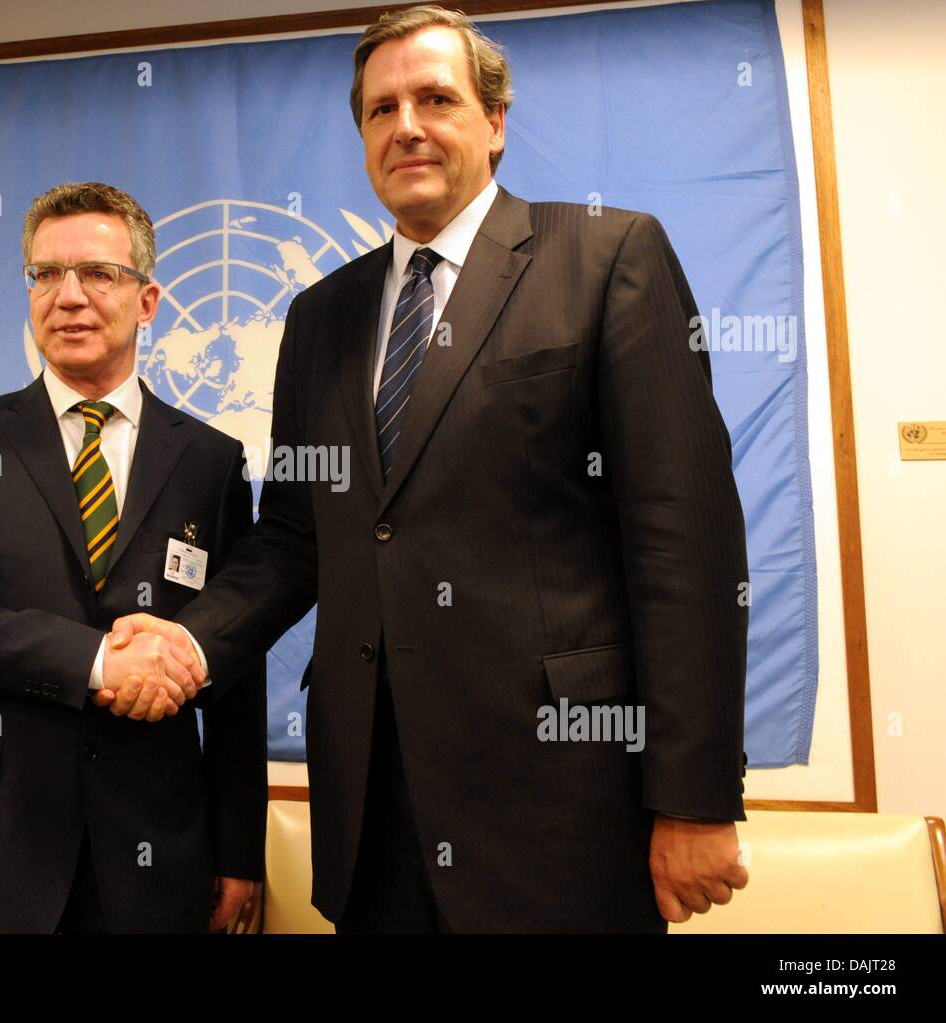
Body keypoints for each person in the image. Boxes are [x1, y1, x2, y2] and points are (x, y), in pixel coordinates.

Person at [103, 5, 750, 932]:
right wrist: (190, 642)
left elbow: (685, 540)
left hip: (564, 803)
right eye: (380, 108)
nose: (405, 124)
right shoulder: (320, 316)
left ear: (493, 123)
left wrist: (693, 796)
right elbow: (294, 536)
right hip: (373, 809)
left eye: (435, 98)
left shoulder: (606, 257)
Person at [0, 182, 263, 933]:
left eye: (97, 274)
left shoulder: (210, 461)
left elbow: (234, 665)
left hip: (156, 851)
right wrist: (94, 662)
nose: (68, 296)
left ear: (147, 301)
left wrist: (238, 848)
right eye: (45, 274)